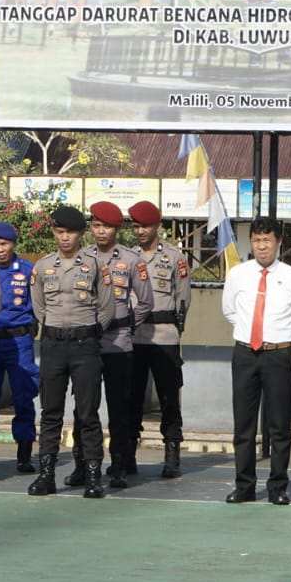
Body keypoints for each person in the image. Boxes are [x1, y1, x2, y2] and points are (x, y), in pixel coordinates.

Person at [222, 217, 291, 505]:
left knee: (278, 425)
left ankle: (278, 487)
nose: (262, 246)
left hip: (278, 354)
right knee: (244, 424)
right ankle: (244, 486)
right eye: (256, 240)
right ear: (250, 242)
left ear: (278, 242)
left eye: (267, 240)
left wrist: (285, 330)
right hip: (245, 354)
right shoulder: (238, 274)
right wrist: (249, 332)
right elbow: (229, 310)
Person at [27, 205, 115, 499]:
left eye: (71, 232)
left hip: (84, 345)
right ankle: (46, 474)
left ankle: (92, 476)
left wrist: (86, 330)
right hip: (52, 344)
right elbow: (39, 306)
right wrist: (54, 327)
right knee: (50, 412)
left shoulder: (95, 266)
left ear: (81, 234)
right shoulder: (42, 266)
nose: (65, 238)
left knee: (88, 413)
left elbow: (106, 308)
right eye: (60, 232)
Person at [74, 201, 152, 490]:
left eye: (106, 226)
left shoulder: (132, 260)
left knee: (119, 408)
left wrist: (127, 325)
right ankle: (82, 464)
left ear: (117, 229)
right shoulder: (81, 257)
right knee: (83, 408)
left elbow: (145, 302)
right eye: (96, 225)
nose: (100, 231)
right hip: (87, 343)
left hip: (119, 344)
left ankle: (118, 465)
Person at [127, 200, 192, 480]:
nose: (141, 230)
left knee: (168, 398)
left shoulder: (176, 258)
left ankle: (172, 455)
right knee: (130, 398)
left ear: (157, 225)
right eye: (137, 225)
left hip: (165, 336)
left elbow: (183, 299)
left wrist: (177, 330)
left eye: (146, 225)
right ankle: (126, 454)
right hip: (133, 338)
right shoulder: (127, 257)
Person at [0, 222, 40, 474]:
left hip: (19, 341)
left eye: (4, 244)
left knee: (23, 393)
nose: (0, 250)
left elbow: (39, 305)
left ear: (13, 244)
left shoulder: (29, 271)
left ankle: (24, 453)